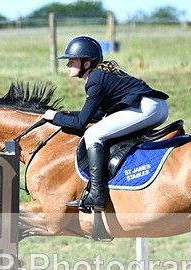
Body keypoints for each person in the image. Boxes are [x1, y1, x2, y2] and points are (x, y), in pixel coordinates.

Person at [42, 36, 170, 212]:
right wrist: (63, 115)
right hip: (157, 107)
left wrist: (55, 116)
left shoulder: (95, 79)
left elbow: (80, 124)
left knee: (93, 135)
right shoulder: (100, 76)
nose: (67, 65)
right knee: (101, 129)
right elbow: (98, 114)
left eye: (72, 61)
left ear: (87, 63)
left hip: (145, 108)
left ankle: (96, 194)